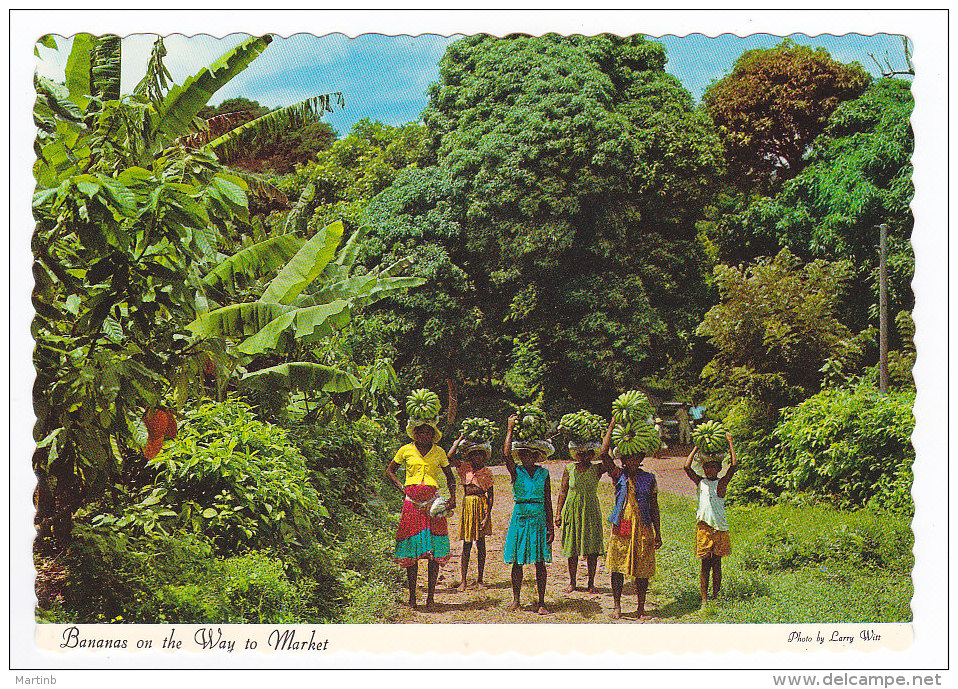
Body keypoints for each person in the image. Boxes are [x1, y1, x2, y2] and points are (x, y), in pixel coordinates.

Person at [385, 419, 457, 611]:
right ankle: (412, 597)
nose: (425, 436)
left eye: (429, 432)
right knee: (413, 551)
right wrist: (402, 488)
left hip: (433, 505)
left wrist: (452, 498)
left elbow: (450, 478)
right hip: (412, 504)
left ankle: (431, 598)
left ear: (433, 434)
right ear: (415, 434)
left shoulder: (439, 452)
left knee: (433, 552)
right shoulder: (405, 450)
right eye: (421, 432)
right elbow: (390, 470)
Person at [599, 419, 662, 619]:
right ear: (623, 460)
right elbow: (603, 454)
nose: (631, 462)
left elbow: (654, 507)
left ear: (641, 458)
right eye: (627, 459)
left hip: (643, 526)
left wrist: (658, 532)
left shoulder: (649, 478)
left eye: (636, 458)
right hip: (622, 525)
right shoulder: (618, 475)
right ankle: (617, 606)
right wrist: (611, 427)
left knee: (641, 569)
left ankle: (641, 607)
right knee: (617, 566)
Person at [502, 414, 554, 615]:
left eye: (532, 454)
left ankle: (541, 602)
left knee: (540, 561)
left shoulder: (544, 474)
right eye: (524, 454)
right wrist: (510, 429)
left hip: (539, 517)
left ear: (537, 456)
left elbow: (547, 500)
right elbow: (506, 455)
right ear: (521, 455)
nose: (527, 457)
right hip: (521, 516)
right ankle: (516, 599)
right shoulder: (517, 472)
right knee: (518, 560)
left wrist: (550, 525)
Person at [684, 434, 738, 605]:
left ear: (719, 469)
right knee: (704, 565)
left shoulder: (721, 484)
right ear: (704, 468)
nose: (710, 470)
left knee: (717, 565)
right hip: (704, 528)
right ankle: (704, 599)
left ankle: (716, 596)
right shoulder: (701, 482)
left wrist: (730, 443)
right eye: (707, 467)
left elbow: (734, 466)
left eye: (714, 467)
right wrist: (697, 447)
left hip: (720, 529)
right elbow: (686, 467)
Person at [555, 440, 606, 593]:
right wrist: (558, 513)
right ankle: (572, 582)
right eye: (581, 454)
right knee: (572, 547)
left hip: (590, 509)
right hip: (573, 508)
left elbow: (607, 457)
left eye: (588, 454)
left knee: (592, 549)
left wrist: (605, 437)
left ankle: (591, 582)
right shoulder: (569, 468)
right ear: (576, 453)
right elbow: (563, 492)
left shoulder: (597, 468)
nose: (584, 457)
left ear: (592, 454)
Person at [447, 433, 495, 591]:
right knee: (466, 544)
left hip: (481, 506)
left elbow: (491, 496)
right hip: (468, 506)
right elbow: (449, 456)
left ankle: (480, 579)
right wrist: (459, 439)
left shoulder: (487, 472)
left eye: (480, 455)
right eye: (473, 455)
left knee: (481, 544)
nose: (476, 458)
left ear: (484, 457)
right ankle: (464, 580)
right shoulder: (465, 468)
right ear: (469, 456)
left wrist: (487, 516)